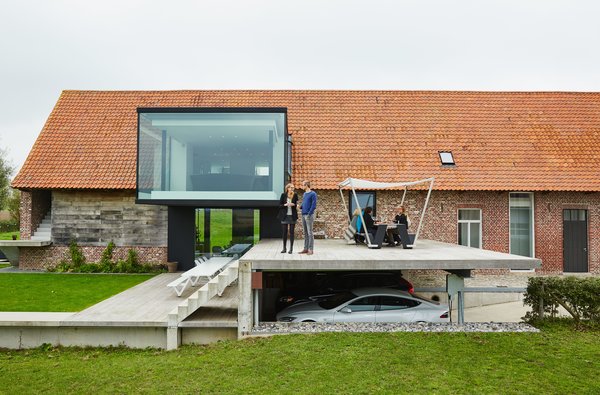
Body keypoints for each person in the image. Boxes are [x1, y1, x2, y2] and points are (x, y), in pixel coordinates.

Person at [278, 183, 298, 253]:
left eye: (293, 187)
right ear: (288, 188)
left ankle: (291, 249)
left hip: (292, 216)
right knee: (284, 232)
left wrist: (294, 205)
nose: (292, 189)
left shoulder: (295, 195)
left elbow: (296, 205)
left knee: (292, 232)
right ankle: (284, 248)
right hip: (285, 216)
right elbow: (279, 205)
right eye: (291, 187)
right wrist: (285, 205)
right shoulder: (283, 195)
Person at [298, 180, 317, 255]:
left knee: (310, 233)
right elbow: (304, 202)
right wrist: (300, 207)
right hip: (303, 214)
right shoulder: (304, 194)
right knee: (305, 232)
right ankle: (305, 248)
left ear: (306, 185)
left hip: (309, 215)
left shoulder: (313, 194)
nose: (302, 186)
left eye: (303, 185)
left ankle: (311, 249)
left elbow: (313, 205)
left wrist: (309, 214)